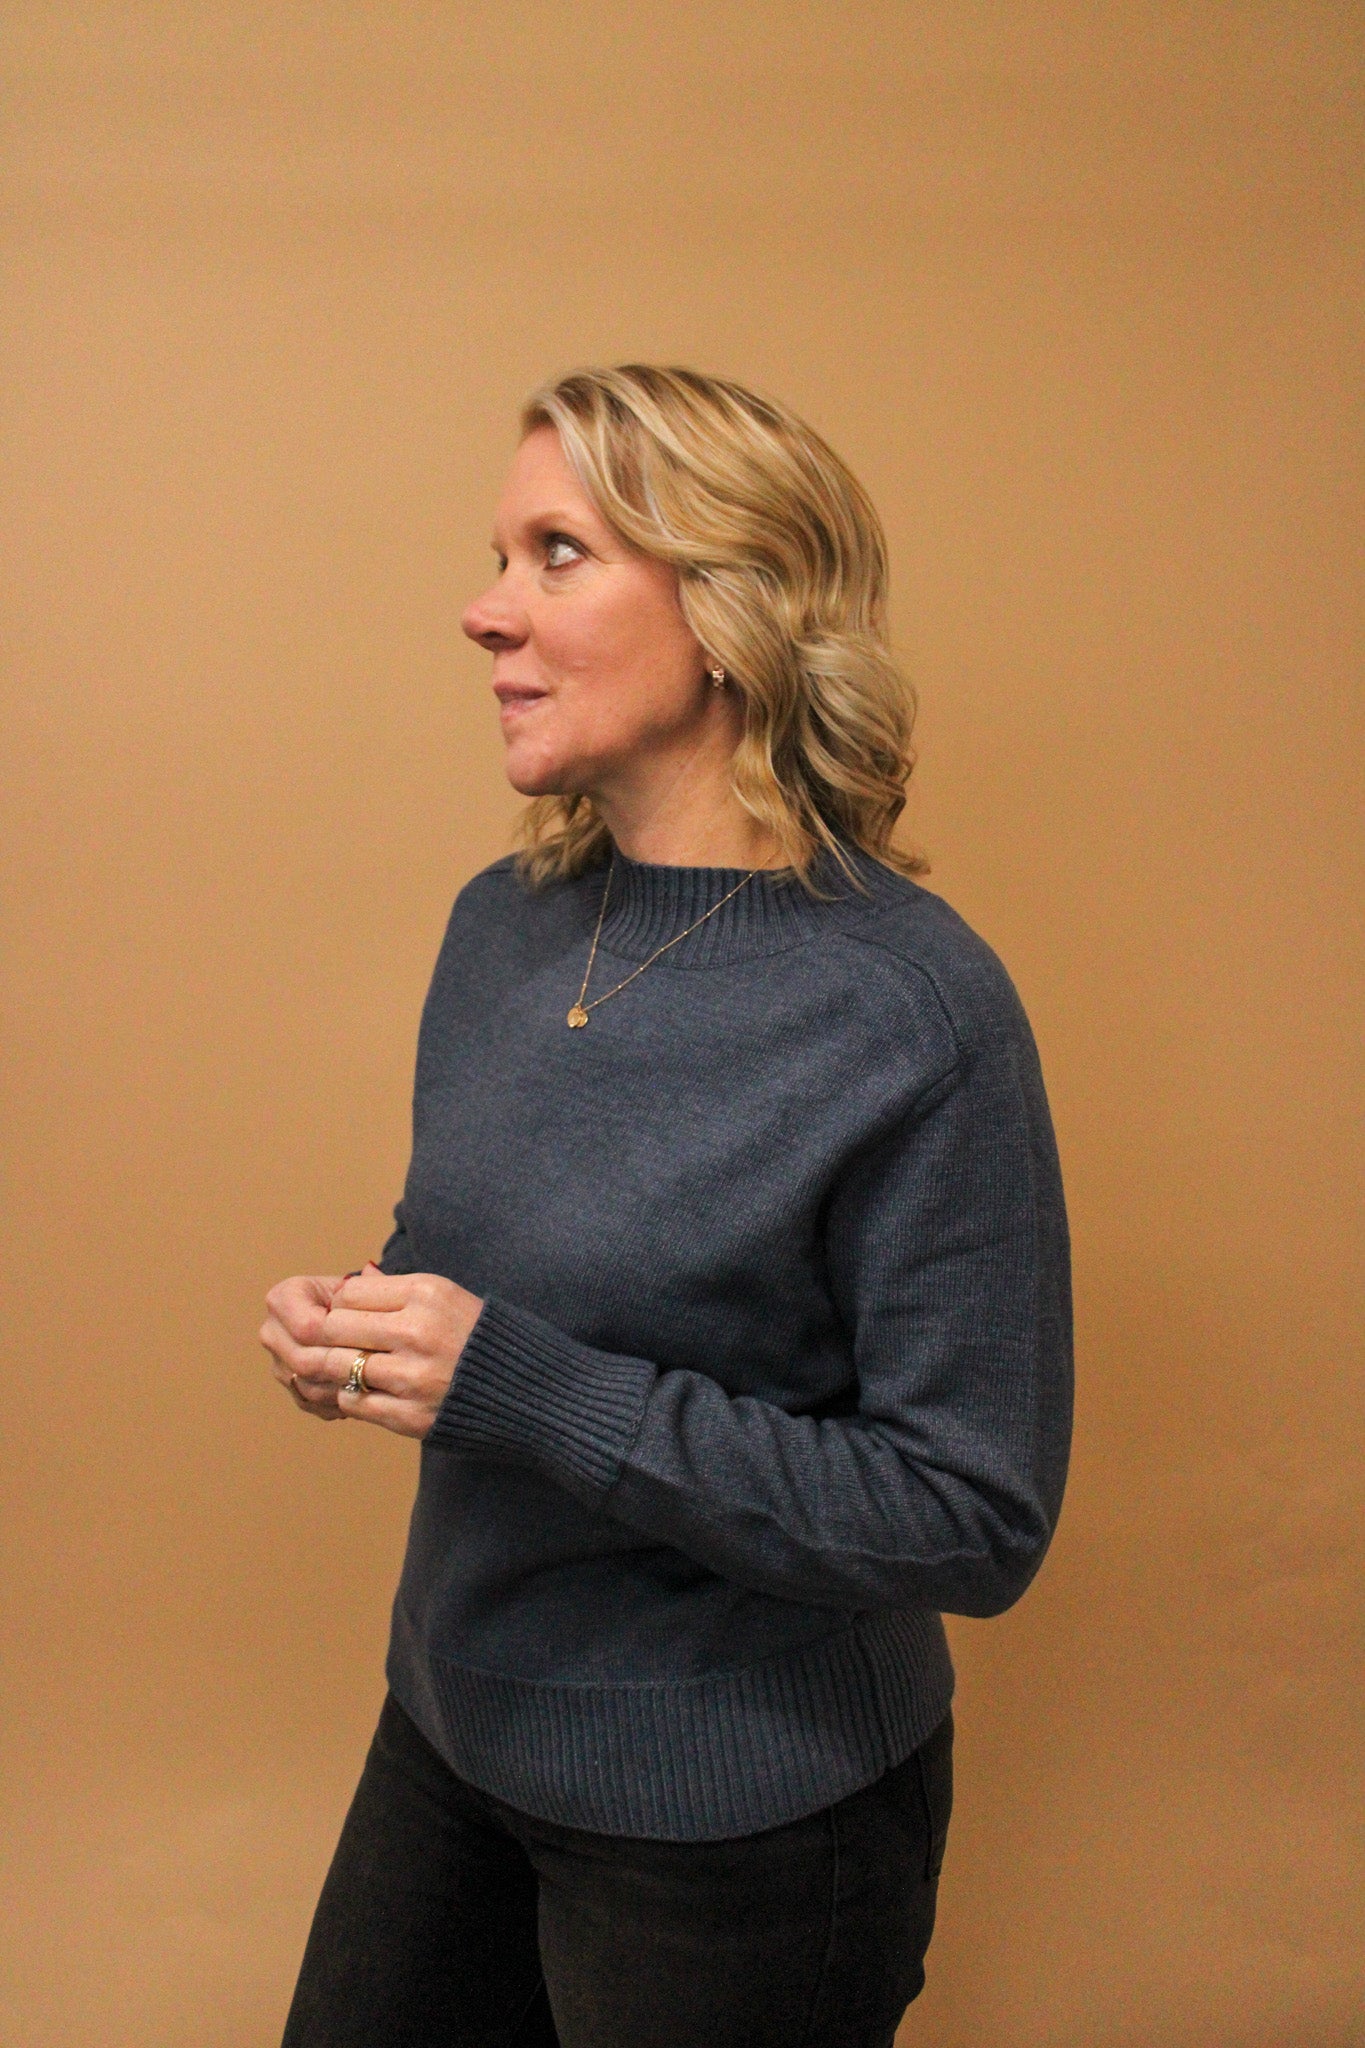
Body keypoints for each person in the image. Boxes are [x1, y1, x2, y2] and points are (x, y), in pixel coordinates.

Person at [260, 364, 1072, 2048]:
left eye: (557, 554)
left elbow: (970, 1515)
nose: (485, 611)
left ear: (727, 607)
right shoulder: (502, 921)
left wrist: (516, 1383)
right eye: (499, 556)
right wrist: (368, 1326)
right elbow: (509, 1266)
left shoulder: (910, 1010)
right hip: (453, 1729)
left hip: (743, 1822)